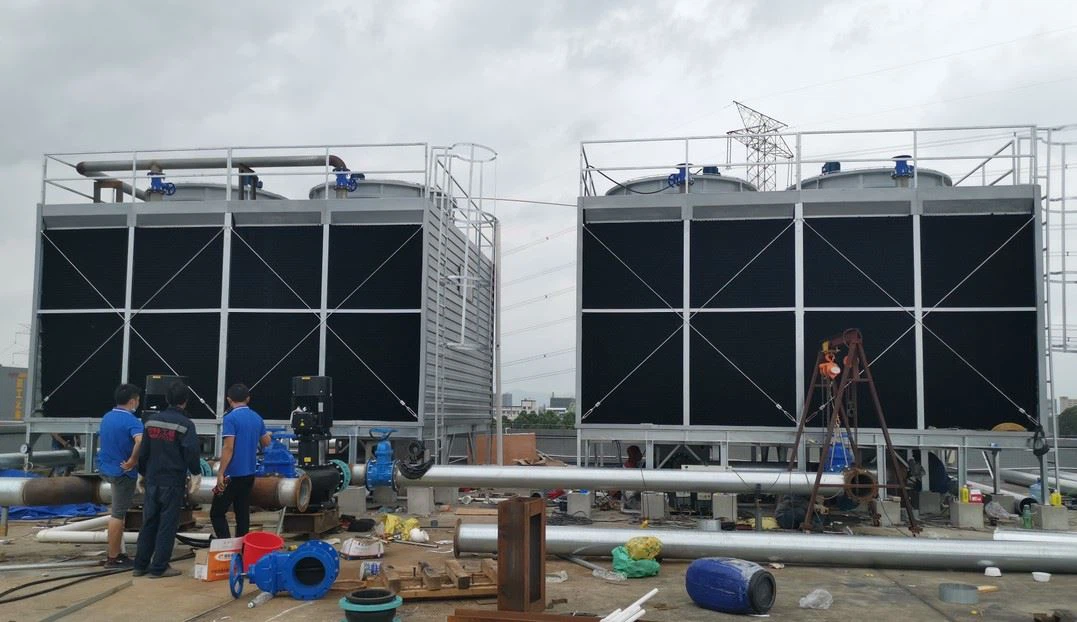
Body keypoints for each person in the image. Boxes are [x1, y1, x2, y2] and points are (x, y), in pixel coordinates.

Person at [133, 381, 201, 578]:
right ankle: (159, 567)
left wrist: (142, 473)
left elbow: (144, 450)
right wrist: (196, 473)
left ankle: (140, 565)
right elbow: (191, 451)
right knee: (167, 525)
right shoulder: (185, 425)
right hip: (172, 481)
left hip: (152, 479)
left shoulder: (151, 422)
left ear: (166, 399)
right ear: (185, 401)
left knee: (149, 522)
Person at [211, 383, 270, 539]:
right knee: (242, 513)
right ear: (248, 399)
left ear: (229, 400)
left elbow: (228, 447)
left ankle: (225, 544)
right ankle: (243, 546)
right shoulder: (257, 418)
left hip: (232, 474)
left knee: (217, 513)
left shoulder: (230, 419)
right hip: (249, 473)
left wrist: (221, 473)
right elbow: (266, 443)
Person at [97, 384, 143, 568]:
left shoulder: (107, 417)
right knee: (117, 515)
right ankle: (114, 557)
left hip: (106, 469)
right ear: (132, 401)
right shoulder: (132, 421)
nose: (138, 403)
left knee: (118, 511)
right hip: (123, 472)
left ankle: (119, 553)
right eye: (137, 400)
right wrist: (133, 460)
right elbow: (140, 440)